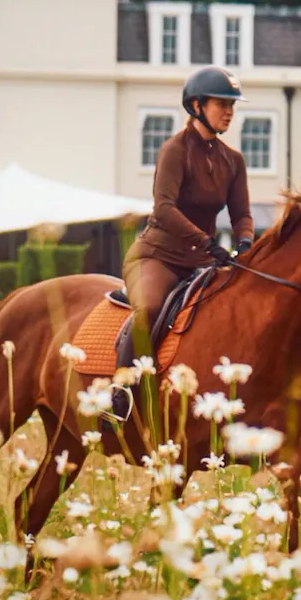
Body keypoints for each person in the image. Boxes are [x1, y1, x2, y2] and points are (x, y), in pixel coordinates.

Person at [107, 66, 255, 424]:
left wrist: (246, 242)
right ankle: (121, 395)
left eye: (233, 105)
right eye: (222, 104)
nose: (230, 112)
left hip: (202, 263)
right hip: (157, 257)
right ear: (196, 105)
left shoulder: (232, 160)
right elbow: (165, 209)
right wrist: (207, 242)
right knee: (151, 309)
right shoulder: (174, 149)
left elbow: (242, 214)